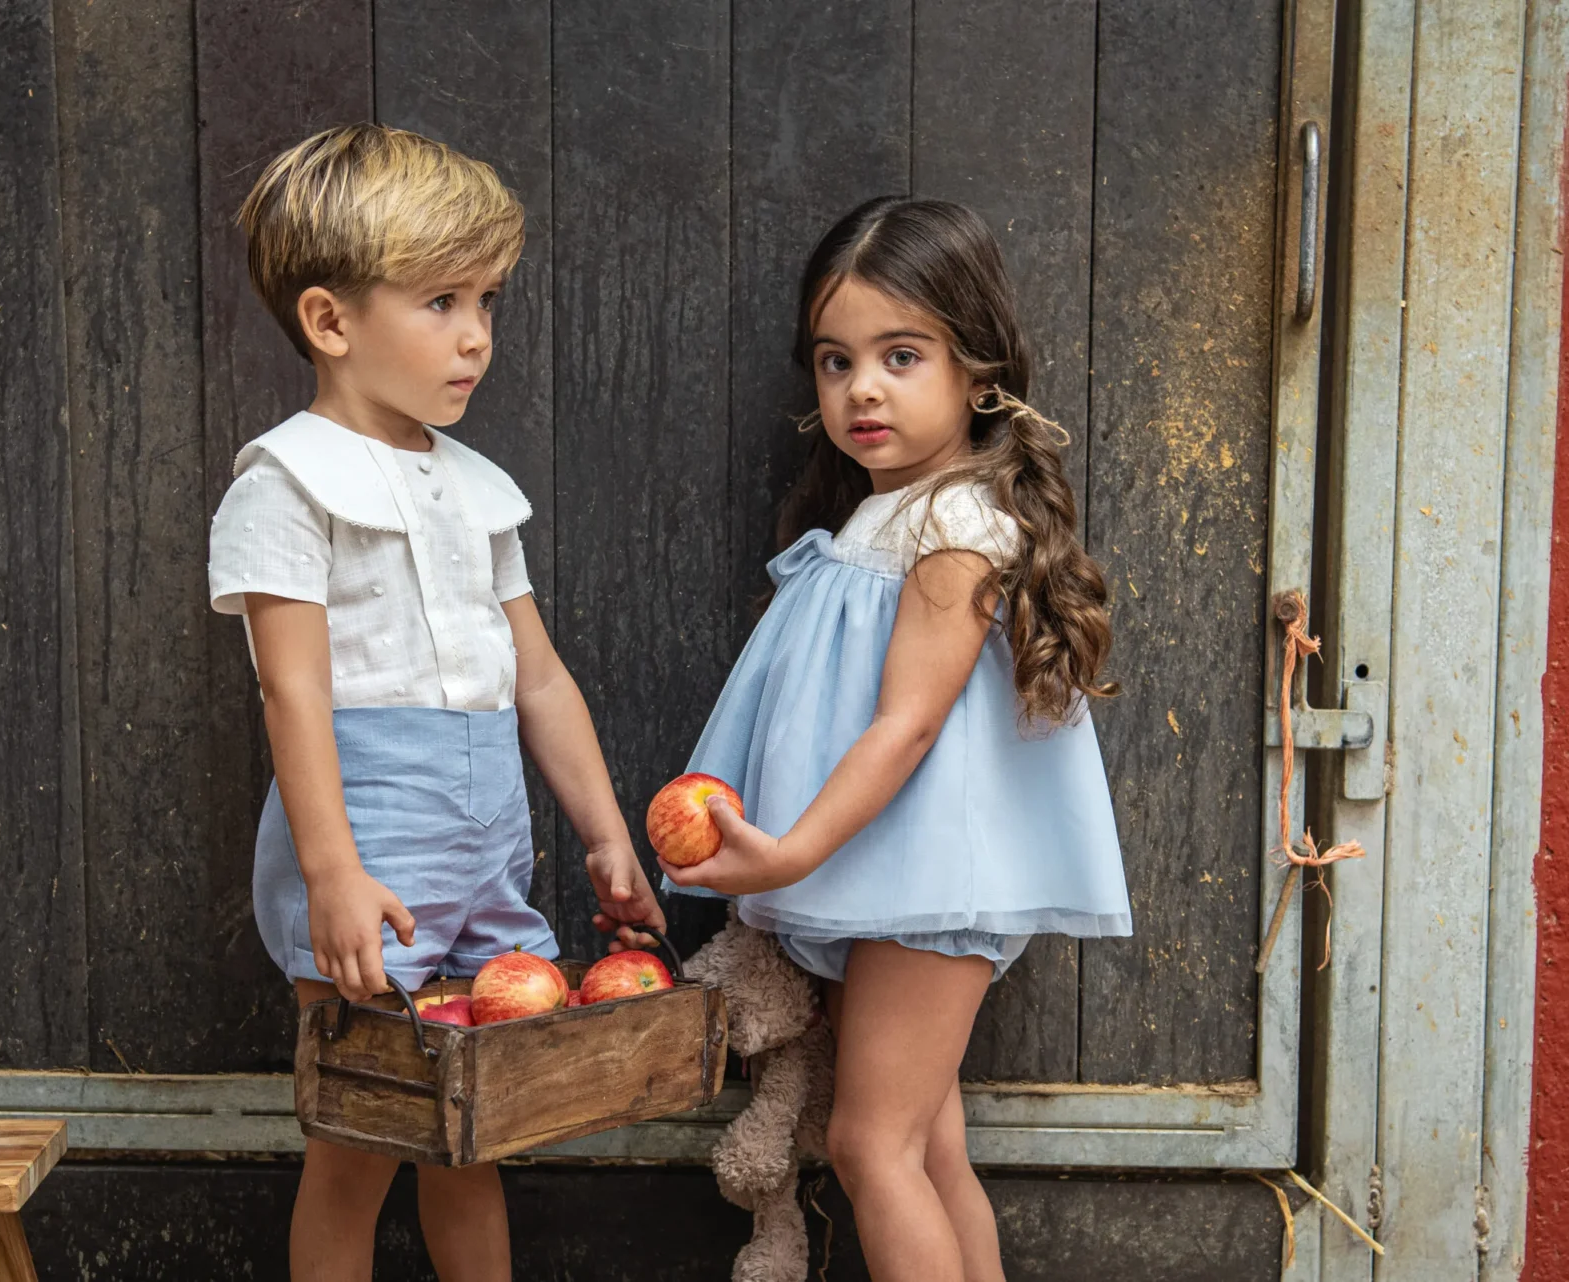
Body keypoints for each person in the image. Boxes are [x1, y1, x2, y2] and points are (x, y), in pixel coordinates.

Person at [208, 123, 663, 1282]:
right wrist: (333, 875)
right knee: (356, 1140)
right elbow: (293, 690)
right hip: (375, 854)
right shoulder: (287, 481)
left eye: (488, 300)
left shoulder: (477, 490)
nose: (477, 336)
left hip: (485, 849)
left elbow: (540, 677)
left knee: (476, 1135)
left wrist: (606, 835)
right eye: (442, 301)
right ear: (331, 319)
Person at [661, 196, 1133, 1282]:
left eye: (901, 355)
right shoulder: (890, 513)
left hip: (932, 875)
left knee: (871, 1145)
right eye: (836, 361)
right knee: (925, 1142)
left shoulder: (953, 524)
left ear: (978, 373)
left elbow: (908, 725)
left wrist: (785, 855)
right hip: (902, 874)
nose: (861, 387)